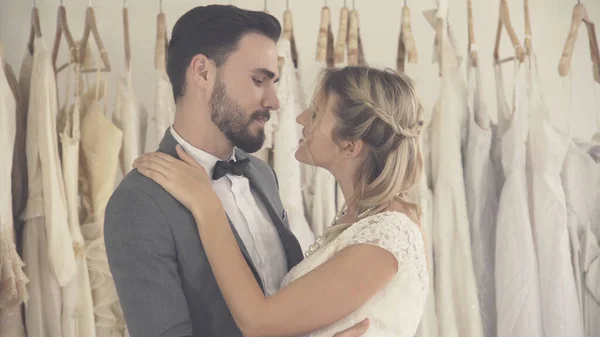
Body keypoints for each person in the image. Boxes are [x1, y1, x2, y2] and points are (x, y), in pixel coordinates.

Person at [104, 5, 370, 337]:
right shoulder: (139, 203)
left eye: (273, 83)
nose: (274, 101)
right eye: (259, 80)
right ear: (202, 72)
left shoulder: (261, 175)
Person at [133, 60, 429, 337]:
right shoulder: (360, 218)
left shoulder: (387, 236)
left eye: (315, 114)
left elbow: (259, 321)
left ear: (350, 145)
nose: (300, 118)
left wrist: (207, 206)